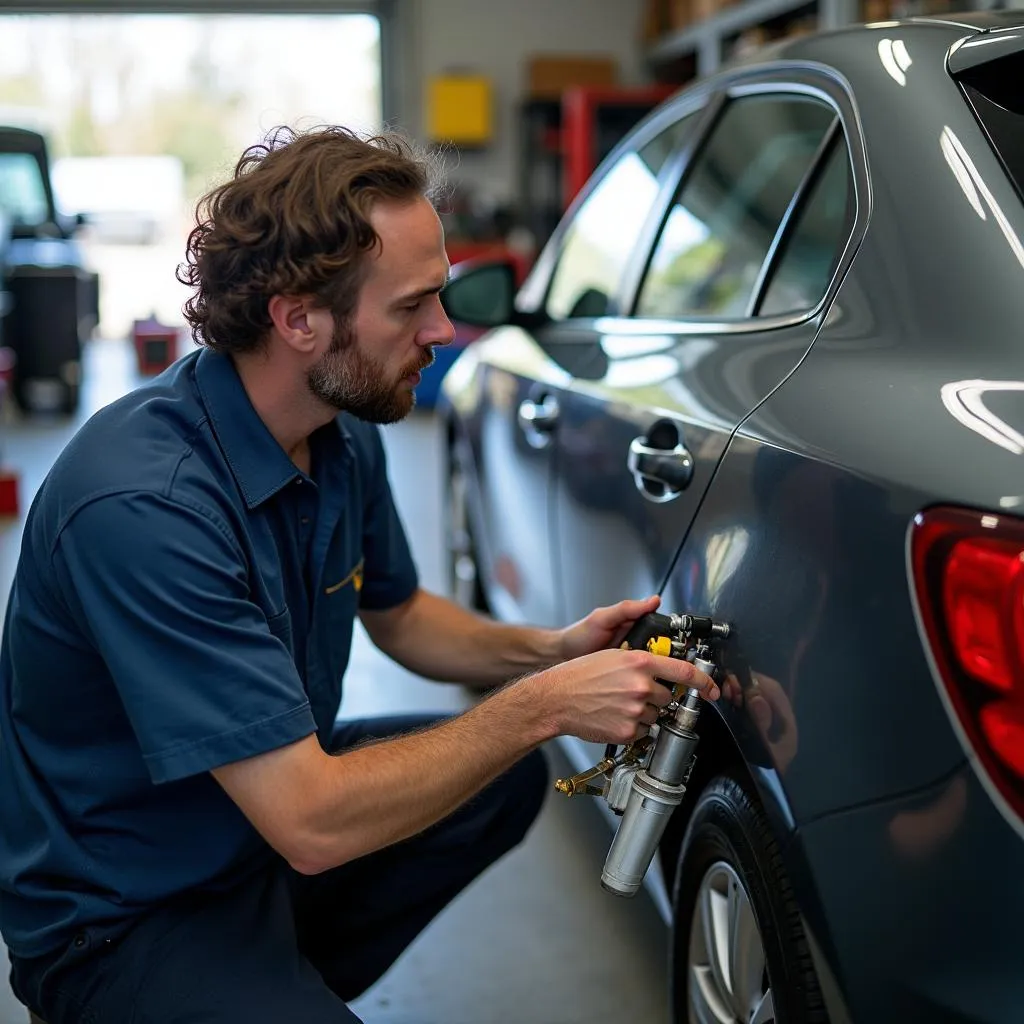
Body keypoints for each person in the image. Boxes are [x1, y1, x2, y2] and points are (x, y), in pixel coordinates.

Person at [0, 125, 719, 1024]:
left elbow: (402, 614)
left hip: (252, 841)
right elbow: (309, 822)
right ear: (300, 319)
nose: (443, 331)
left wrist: (551, 652)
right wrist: (549, 705)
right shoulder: (145, 506)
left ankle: (276, 984)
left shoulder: (332, 432)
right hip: (127, 916)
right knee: (480, 753)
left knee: (501, 779)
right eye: (412, 307)